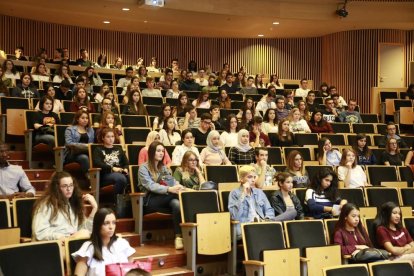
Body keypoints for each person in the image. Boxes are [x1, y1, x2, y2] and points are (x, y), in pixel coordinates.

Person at [138, 141, 184, 250]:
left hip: (166, 199)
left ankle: (178, 237)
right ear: (151, 152)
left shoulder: (163, 168)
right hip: (149, 201)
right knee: (175, 196)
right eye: (158, 151)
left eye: (163, 151)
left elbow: (171, 182)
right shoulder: (143, 168)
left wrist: (180, 187)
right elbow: (150, 185)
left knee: (177, 204)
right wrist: (170, 189)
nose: (161, 153)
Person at [32, 171, 97, 241]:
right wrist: (63, 237)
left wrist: (94, 209)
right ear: (56, 188)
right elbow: (39, 232)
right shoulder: (46, 205)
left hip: (71, 242)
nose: (69, 189)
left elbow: (84, 230)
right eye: (65, 186)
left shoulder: (73, 204)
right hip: (56, 245)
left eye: (71, 185)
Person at [72, 208, 135, 276]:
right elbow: (79, 274)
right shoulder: (88, 248)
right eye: (106, 223)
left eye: (114, 223)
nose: (111, 227)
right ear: (98, 225)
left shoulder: (122, 243)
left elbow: (132, 271)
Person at [228, 165, 276, 239]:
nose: (253, 180)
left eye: (254, 177)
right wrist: (243, 194)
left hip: (261, 224)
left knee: (277, 231)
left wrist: (267, 219)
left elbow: (269, 210)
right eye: (249, 177)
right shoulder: (234, 193)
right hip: (244, 226)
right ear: (241, 179)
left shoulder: (259, 192)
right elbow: (234, 216)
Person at [93, 128, 129, 195]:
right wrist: (112, 168)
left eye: (112, 136)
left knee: (132, 177)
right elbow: (98, 163)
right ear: (103, 138)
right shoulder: (98, 150)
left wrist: (126, 169)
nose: (111, 139)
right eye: (108, 136)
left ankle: (128, 201)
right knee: (121, 178)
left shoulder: (119, 149)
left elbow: (126, 163)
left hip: (120, 173)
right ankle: (118, 201)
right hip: (105, 175)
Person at [65, 110, 95, 176]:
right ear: (77, 119)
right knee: (84, 157)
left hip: (87, 152)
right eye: (83, 118)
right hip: (72, 153)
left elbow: (91, 144)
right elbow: (69, 143)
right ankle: (90, 178)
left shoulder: (90, 130)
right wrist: (85, 146)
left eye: (87, 118)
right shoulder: (70, 129)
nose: (85, 120)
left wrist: (88, 146)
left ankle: (98, 176)